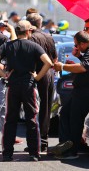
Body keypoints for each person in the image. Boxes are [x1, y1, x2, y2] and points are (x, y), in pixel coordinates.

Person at [0, 20, 53, 162]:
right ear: (29, 31)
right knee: (32, 119)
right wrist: (37, 77)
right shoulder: (34, 46)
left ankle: (7, 154)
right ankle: (34, 153)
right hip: (29, 86)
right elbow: (49, 63)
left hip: (12, 86)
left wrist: (3, 74)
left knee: (10, 120)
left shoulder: (7, 45)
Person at [49, 31, 89, 159]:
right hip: (81, 92)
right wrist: (80, 56)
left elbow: (83, 68)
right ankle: (65, 145)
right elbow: (88, 66)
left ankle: (72, 151)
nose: (76, 47)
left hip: (88, 93)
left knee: (75, 120)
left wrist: (63, 66)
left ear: (83, 43)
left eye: (77, 45)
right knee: (65, 114)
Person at [26, 13, 57, 152]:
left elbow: (29, 58)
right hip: (49, 74)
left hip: (36, 73)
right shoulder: (49, 37)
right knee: (46, 107)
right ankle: (43, 140)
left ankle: (35, 142)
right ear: (40, 23)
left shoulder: (31, 37)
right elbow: (55, 59)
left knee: (32, 108)